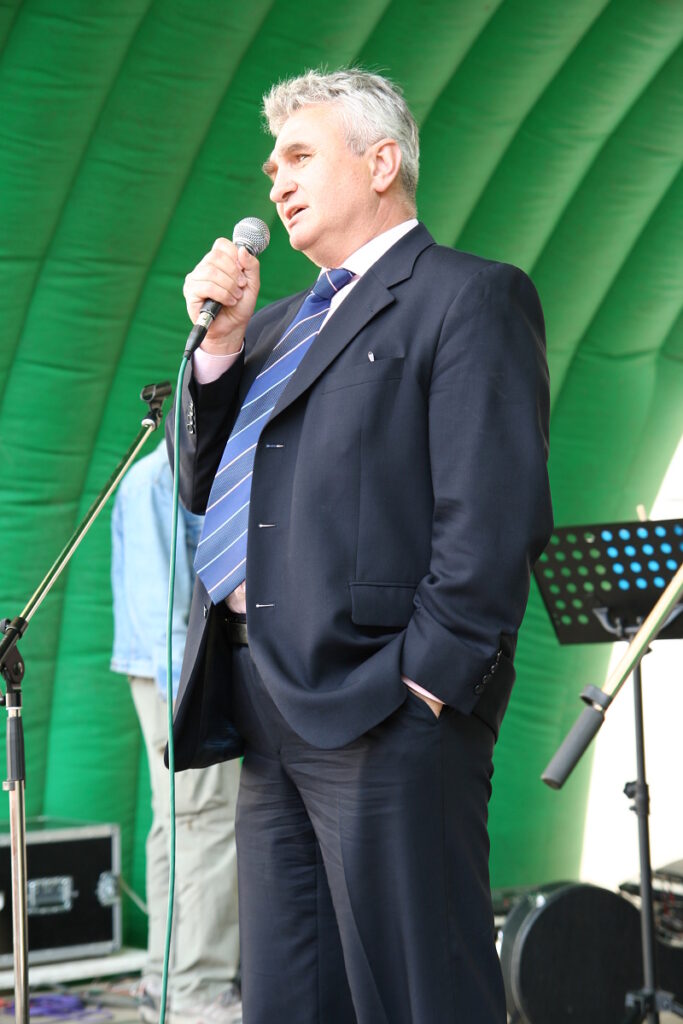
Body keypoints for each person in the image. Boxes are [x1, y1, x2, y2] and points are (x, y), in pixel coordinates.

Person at [167, 69, 553, 1024]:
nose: (277, 183)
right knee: (290, 997)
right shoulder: (271, 329)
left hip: (386, 702)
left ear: (381, 163)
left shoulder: (467, 297)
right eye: (271, 168)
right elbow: (201, 485)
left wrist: (426, 682)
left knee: (416, 994)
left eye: (299, 156)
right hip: (264, 697)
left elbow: (492, 514)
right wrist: (217, 352)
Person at [111, 441, 242, 1024]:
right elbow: (159, 607)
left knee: (178, 824)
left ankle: (165, 980)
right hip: (179, 676)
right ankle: (197, 988)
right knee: (206, 823)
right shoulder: (155, 482)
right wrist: (191, 696)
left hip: (173, 673)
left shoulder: (169, 476)